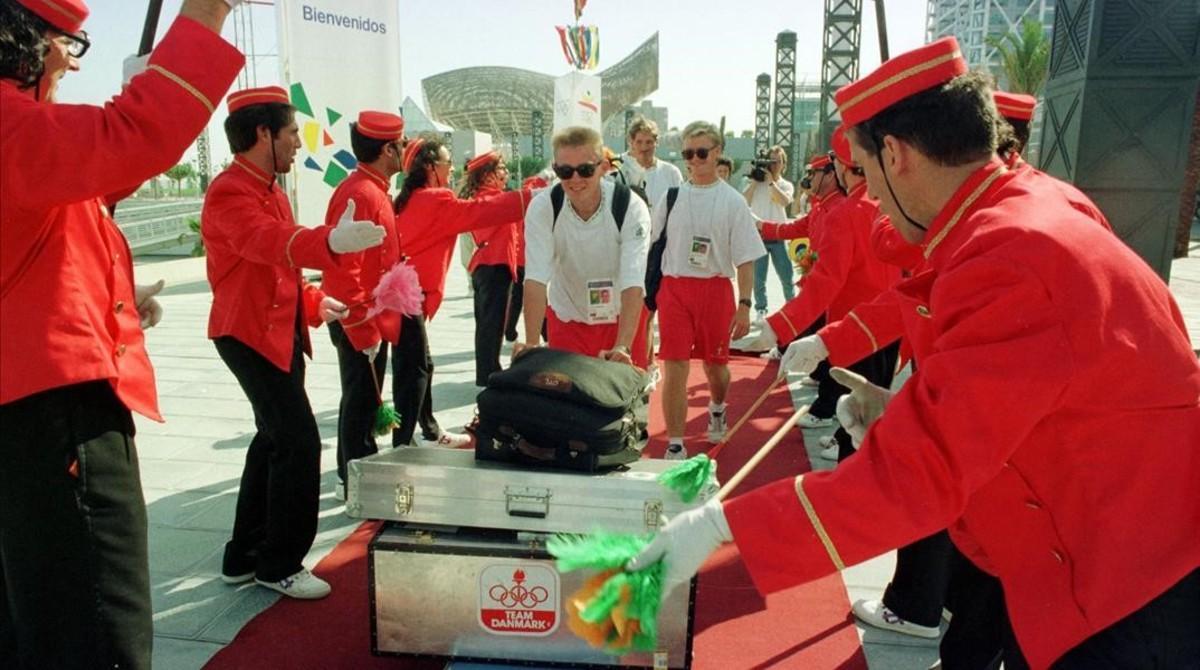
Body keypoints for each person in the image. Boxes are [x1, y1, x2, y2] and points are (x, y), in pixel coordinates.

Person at [632, 37, 1200, 669]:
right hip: (1093, 552)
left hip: (1125, 589)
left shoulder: (1011, 255)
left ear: (896, 155)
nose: (870, 197)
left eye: (870, 176)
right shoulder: (1024, 208)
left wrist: (721, 529)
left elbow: (913, 478)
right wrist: (902, 401)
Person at [0, 0, 243, 666]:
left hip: (21, 412)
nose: (71, 65)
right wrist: (208, 10)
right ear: (28, 41)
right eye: (68, 45)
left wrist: (112, 296)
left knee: (34, 621)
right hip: (56, 418)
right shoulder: (13, 125)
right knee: (99, 630)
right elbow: (136, 131)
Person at [203, 86, 386, 600]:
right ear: (263, 134)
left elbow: (276, 266)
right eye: (290, 134)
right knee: (299, 441)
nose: (298, 146)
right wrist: (329, 242)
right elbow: (262, 242)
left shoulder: (272, 189)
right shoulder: (229, 192)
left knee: (272, 438)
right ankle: (280, 563)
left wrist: (312, 300)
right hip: (246, 333)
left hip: (278, 329)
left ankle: (243, 555)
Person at [759, 126, 898, 447]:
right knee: (867, 409)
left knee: (859, 412)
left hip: (855, 322)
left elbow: (826, 280)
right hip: (886, 323)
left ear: (840, 166)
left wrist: (778, 326)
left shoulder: (847, 211)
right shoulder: (878, 203)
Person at [393, 135, 530, 448]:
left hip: (405, 295)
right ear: (429, 166)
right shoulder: (433, 199)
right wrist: (530, 197)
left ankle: (427, 429)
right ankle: (403, 443)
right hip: (406, 297)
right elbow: (482, 212)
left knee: (419, 365)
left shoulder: (413, 198)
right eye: (446, 162)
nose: (451, 168)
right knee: (411, 371)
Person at [652, 121, 765, 459]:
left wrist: (745, 303)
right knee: (674, 364)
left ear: (717, 153)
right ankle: (676, 441)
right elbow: (653, 246)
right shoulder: (670, 198)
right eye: (688, 153)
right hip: (674, 288)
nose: (695, 159)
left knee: (716, 366)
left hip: (715, 290)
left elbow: (746, 258)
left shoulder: (732, 202)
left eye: (702, 152)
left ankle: (717, 406)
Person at [318, 111, 405, 499]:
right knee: (359, 398)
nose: (403, 151)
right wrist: (361, 326)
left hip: (372, 313)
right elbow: (342, 270)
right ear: (388, 149)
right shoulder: (360, 193)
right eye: (400, 145)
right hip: (359, 317)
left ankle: (359, 468)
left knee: (366, 396)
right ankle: (352, 476)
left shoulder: (372, 188)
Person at [517, 125, 652, 370]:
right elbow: (535, 279)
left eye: (586, 170)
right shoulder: (543, 207)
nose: (575, 179)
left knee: (626, 403)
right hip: (567, 319)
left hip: (622, 319)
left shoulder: (630, 207)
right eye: (565, 171)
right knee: (566, 403)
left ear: (602, 167)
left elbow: (633, 280)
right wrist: (532, 343)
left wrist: (623, 346)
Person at [459, 151, 521, 386]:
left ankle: (488, 369)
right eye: (501, 169)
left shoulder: (489, 196)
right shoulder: (489, 199)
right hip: (492, 266)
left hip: (492, 266)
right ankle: (488, 373)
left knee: (489, 322)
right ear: (487, 175)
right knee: (490, 323)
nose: (505, 173)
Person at [743, 145, 795, 322]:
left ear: (783, 164)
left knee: (786, 275)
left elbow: (785, 201)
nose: (773, 165)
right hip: (759, 235)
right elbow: (743, 202)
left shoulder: (785, 184)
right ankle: (761, 309)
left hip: (779, 235)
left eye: (777, 161)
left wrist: (771, 182)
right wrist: (756, 182)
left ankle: (791, 305)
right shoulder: (756, 184)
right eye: (770, 161)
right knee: (759, 277)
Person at [620, 116, 683, 209]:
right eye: (639, 142)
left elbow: (680, 207)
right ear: (631, 142)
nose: (644, 147)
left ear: (656, 142)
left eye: (649, 142)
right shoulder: (616, 168)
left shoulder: (671, 173)